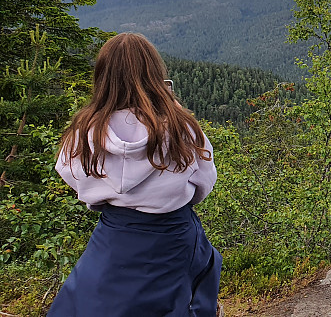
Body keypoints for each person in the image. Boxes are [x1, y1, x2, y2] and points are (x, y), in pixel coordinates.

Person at [48, 33, 221, 317]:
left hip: (115, 235)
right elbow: (204, 182)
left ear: (104, 78)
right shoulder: (181, 127)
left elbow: (71, 174)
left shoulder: (85, 130)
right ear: (154, 74)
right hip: (173, 235)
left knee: (96, 302)